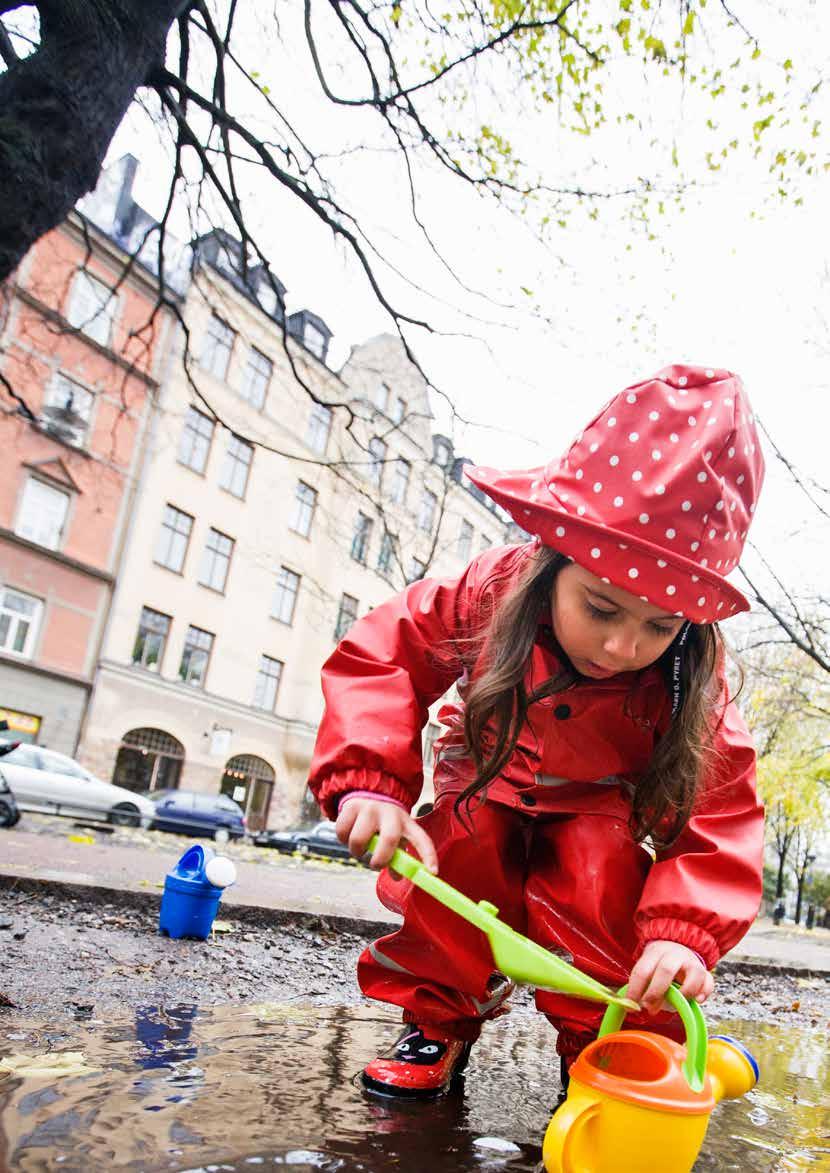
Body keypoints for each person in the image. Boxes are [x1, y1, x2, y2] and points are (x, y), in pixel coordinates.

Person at [308, 364, 766, 1099]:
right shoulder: (490, 591)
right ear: (553, 561)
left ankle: (604, 1046)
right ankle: (436, 1020)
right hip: (483, 777)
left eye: (659, 626)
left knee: (600, 881)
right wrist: (370, 779)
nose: (622, 647)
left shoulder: (691, 684)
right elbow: (384, 652)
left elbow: (722, 814)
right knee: (459, 854)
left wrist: (684, 930)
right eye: (601, 607)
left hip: (597, 808)